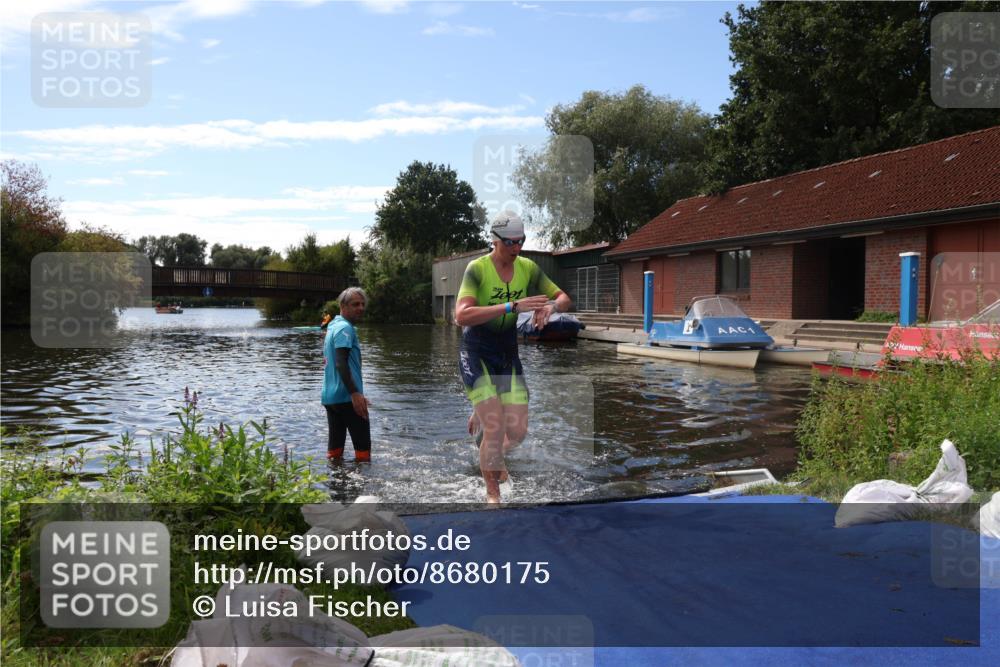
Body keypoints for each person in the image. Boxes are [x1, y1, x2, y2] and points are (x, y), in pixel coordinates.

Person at [454, 210, 572, 503]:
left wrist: (551, 307)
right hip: (477, 352)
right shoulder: (477, 269)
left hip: (507, 354)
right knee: (494, 429)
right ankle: (493, 496)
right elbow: (461, 316)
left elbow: (564, 298)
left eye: (521, 241)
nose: (516, 248)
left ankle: (491, 449)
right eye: (510, 242)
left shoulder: (528, 267)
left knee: (517, 433)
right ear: (495, 240)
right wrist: (511, 306)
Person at [322, 287, 371, 462]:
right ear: (343, 306)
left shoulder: (333, 326)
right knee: (363, 454)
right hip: (347, 398)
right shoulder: (345, 328)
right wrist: (355, 393)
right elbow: (341, 362)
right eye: (355, 304)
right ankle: (363, 479)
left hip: (331, 399)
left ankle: (335, 478)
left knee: (334, 453)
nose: (361, 308)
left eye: (363, 304)